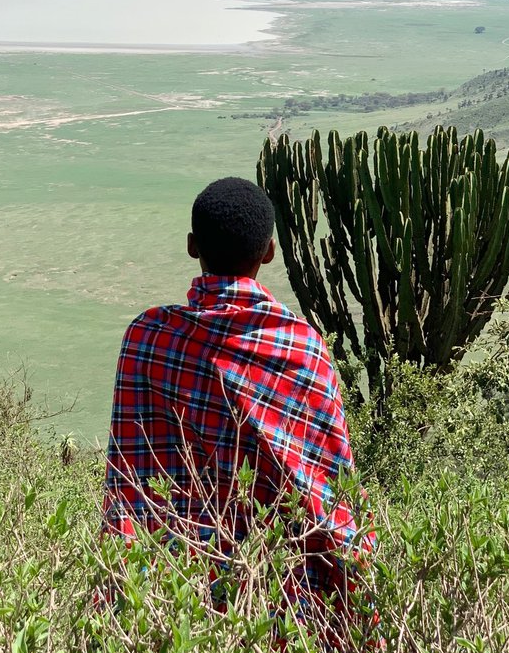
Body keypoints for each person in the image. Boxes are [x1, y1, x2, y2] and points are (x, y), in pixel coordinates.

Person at [103, 175, 373, 610]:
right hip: (278, 596)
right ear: (269, 252)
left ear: (193, 246)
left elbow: (129, 476)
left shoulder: (147, 336)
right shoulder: (300, 348)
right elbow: (329, 491)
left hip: (167, 590)